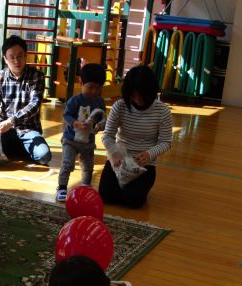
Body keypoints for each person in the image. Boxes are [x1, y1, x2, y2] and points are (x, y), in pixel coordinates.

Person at [99, 65, 173, 208]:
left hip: (144, 165)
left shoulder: (162, 111)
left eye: (141, 95)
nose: (137, 99)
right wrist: (114, 152)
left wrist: (149, 154)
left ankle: (133, 190)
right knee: (106, 196)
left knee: (133, 201)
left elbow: (166, 142)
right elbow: (107, 135)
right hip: (119, 162)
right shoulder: (120, 106)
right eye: (133, 95)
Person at [0, 35, 52, 165]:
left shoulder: (36, 76)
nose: (16, 61)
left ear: (26, 56)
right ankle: (16, 150)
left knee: (44, 156)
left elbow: (34, 104)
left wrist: (12, 121)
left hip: (28, 130)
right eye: (11, 57)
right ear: (5, 59)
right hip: (5, 131)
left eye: (20, 56)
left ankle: (14, 150)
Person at [56, 63, 107, 201]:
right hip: (70, 140)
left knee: (88, 166)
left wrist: (100, 126)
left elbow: (102, 117)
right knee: (67, 164)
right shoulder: (75, 100)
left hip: (88, 142)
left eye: (98, 88)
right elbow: (66, 115)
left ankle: (86, 186)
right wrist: (75, 123)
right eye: (90, 87)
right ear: (81, 82)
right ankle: (62, 187)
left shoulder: (99, 102)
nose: (94, 91)